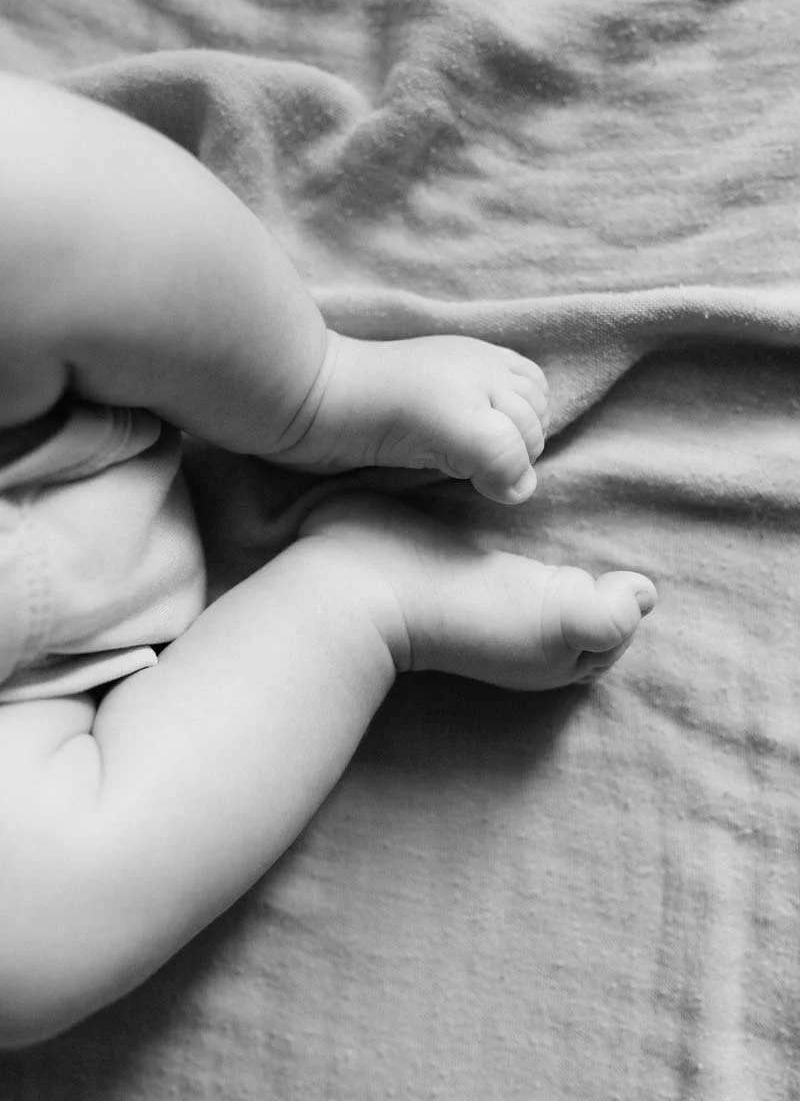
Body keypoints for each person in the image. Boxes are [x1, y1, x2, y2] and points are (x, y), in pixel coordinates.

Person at [0, 72, 656, 1047]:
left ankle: (312, 389)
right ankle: (359, 603)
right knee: (26, 953)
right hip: (29, 700)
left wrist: (313, 387)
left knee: (22, 188)